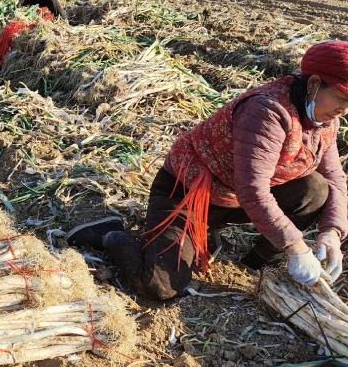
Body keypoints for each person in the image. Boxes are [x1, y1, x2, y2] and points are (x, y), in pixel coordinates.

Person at [66, 40, 348, 300]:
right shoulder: (268, 111)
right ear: (313, 83)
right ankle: (112, 234)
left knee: (315, 189)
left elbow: (335, 177)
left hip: (231, 197)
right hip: (189, 195)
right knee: (159, 284)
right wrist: (296, 246)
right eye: (341, 98)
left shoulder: (324, 122)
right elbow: (253, 190)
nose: (344, 110)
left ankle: (255, 265)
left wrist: (332, 233)